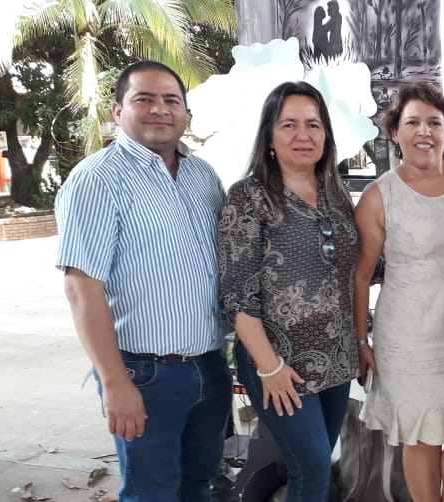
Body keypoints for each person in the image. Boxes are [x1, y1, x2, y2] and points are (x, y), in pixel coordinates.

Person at [55, 60, 232, 501]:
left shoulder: (202, 176)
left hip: (209, 364)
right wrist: (115, 382)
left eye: (171, 100)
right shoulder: (97, 179)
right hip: (146, 373)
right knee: (151, 492)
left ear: (184, 114)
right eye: (144, 99)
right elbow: (82, 289)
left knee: (198, 485)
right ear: (118, 111)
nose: (160, 109)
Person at [217, 81, 360, 501]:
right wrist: (269, 368)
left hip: (335, 358)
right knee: (311, 467)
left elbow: (355, 268)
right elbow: (238, 294)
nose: (303, 135)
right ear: (270, 137)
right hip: (279, 362)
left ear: (326, 136)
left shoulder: (336, 194)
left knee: (316, 463)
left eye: (313, 125)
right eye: (290, 124)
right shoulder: (248, 198)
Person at [353, 82, 444, 502]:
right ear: (394, 132)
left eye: (435, 122)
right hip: (406, 338)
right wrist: (362, 340)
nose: (424, 131)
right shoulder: (380, 196)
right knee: (420, 435)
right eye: (412, 122)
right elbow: (360, 277)